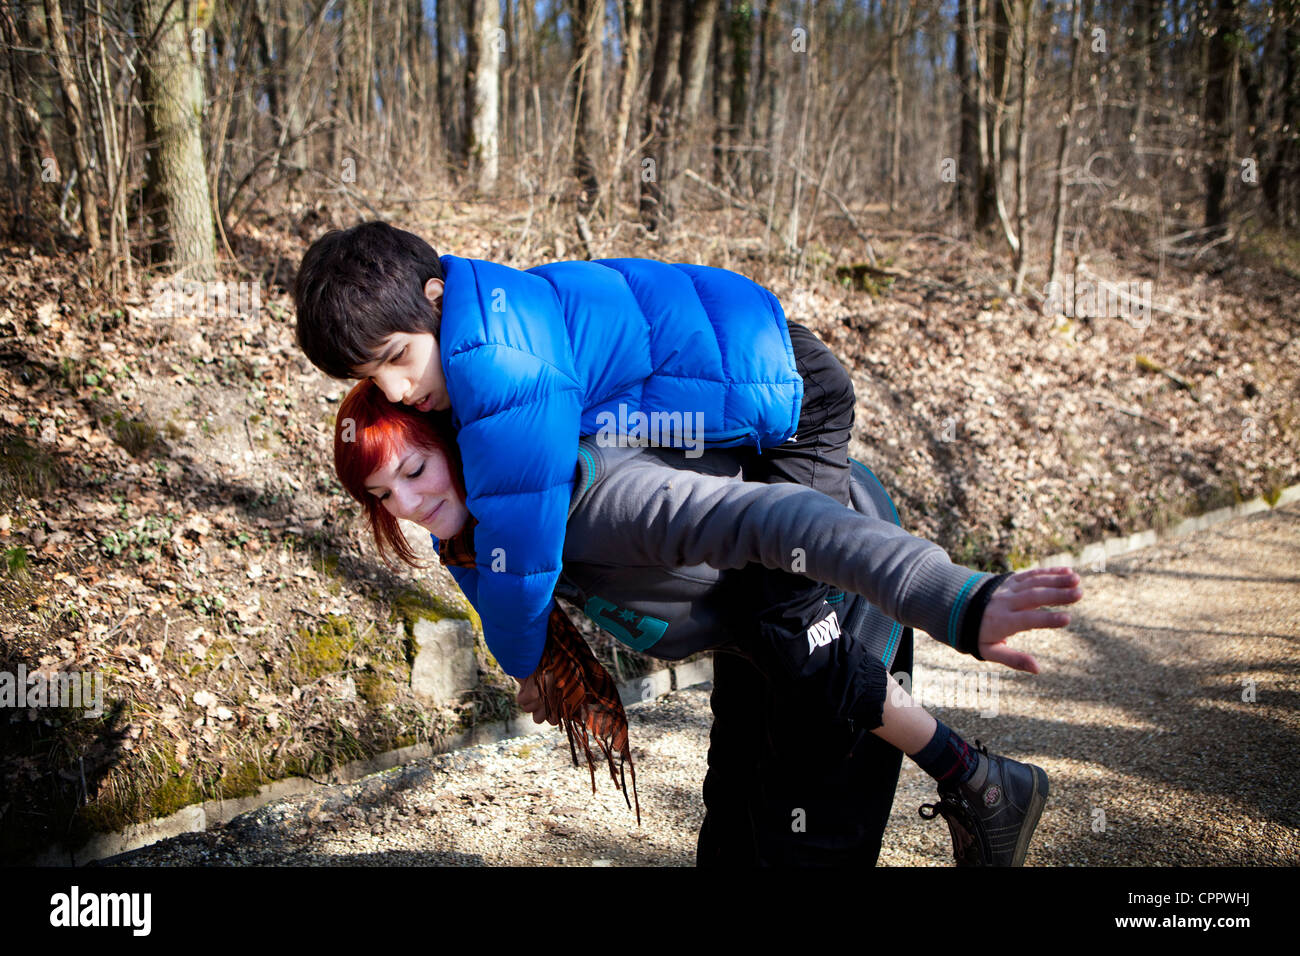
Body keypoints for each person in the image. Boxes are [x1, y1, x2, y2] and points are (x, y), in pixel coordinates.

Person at [333, 381, 1083, 866]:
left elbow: (779, 516)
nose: (404, 503)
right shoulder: (476, 534)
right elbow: (511, 609)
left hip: (830, 581)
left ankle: (983, 785)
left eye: (414, 470)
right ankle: (981, 779)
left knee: (803, 837)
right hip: (749, 626)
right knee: (732, 833)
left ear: (463, 447)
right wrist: (538, 672)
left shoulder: (597, 503)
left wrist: (953, 597)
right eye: (381, 493)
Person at [293, 221, 859, 715]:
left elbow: (518, 545)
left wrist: (527, 664)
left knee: (794, 620)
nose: (393, 390)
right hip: (745, 389)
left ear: (434, 298)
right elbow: (470, 531)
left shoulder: (499, 360)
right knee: (759, 638)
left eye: (397, 357)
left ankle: (936, 756)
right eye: (370, 376)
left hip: (799, 395)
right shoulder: (490, 308)